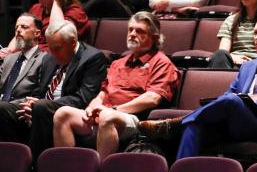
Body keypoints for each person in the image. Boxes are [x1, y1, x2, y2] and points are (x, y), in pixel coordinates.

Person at [146, 15, 257, 160]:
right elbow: (229, 95)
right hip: (234, 123)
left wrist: (252, 104)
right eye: (255, 32)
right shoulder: (248, 67)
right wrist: (239, 103)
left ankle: (174, 125)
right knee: (194, 126)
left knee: (233, 100)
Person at [51, 12, 179, 159]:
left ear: (154, 38)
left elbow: (152, 98)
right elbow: (102, 93)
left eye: (140, 31)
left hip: (134, 118)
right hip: (106, 112)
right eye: (130, 29)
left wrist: (113, 109)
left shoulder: (161, 63)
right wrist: (91, 109)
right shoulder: (118, 63)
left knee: (107, 116)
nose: (132, 34)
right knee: (62, 114)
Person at [0, 20, 108, 157]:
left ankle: (35, 163)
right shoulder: (48, 58)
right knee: (3, 108)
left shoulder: (92, 58)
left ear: (73, 42)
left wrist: (40, 104)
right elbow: (39, 92)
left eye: (57, 48)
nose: (52, 53)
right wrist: (30, 104)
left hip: (70, 110)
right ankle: (15, 160)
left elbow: (83, 98)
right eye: (50, 48)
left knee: (40, 107)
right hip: (42, 106)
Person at [0, 14, 46, 94]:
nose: (18, 30)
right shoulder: (9, 58)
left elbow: (39, 94)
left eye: (24, 27)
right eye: (16, 27)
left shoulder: (44, 59)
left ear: (37, 33)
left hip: (21, 104)